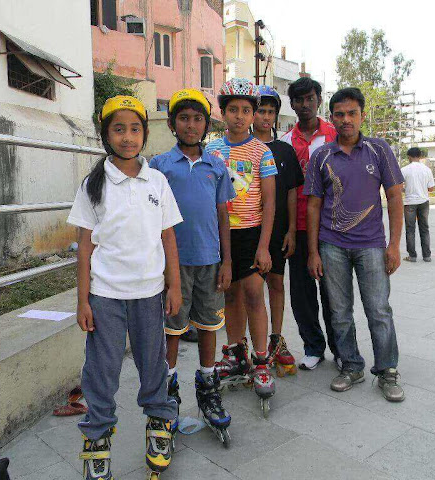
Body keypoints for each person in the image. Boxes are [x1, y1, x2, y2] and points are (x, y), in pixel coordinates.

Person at [68, 96, 182, 480]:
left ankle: (159, 423)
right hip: (105, 296)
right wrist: (83, 299)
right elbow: (85, 246)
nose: (128, 137)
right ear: (106, 135)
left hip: (150, 294)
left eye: (135, 129)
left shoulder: (158, 181)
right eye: (119, 129)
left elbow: (168, 238)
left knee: (154, 364)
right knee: (101, 370)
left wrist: (175, 286)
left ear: (145, 134)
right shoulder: (93, 185)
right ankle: (97, 437)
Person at [305, 87, 405, 402]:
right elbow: (313, 206)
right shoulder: (321, 155)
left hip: (372, 245)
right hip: (331, 244)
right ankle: (351, 365)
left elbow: (394, 196)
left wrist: (394, 245)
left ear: (362, 115)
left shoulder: (379, 150)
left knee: (378, 309)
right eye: (339, 114)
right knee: (339, 311)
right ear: (331, 118)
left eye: (352, 113)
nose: (346, 120)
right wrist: (313, 252)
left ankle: (387, 370)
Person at [150, 89, 235, 445]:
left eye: (197, 118)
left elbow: (222, 215)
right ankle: (169, 393)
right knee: (172, 329)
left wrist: (228, 260)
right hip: (173, 266)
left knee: (210, 325)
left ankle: (207, 385)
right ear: (172, 124)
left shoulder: (216, 166)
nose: (190, 125)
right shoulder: (158, 166)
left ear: (206, 124)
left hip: (210, 262)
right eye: (183, 118)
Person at [206, 78, 278, 414]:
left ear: (253, 115)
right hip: (223, 234)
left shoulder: (263, 152)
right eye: (233, 109)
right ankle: (235, 352)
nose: (239, 116)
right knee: (230, 295)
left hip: (252, 234)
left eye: (245, 110)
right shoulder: (212, 151)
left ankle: (261, 359)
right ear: (223, 113)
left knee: (253, 294)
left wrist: (264, 247)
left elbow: (270, 202)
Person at [281, 77, 338, 371]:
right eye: (299, 100)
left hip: (329, 227)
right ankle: (313, 347)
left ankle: (341, 348)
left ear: (319, 100)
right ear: (292, 104)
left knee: (332, 292)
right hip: (299, 228)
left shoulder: (334, 135)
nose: (305, 105)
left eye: (310, 99)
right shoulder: (285, 141)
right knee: (302, 294)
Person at [252, 85, 304, 376]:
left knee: (276, 284)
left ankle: (276, 339)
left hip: (278, 232)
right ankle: (251, 346)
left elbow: (292, 193)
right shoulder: (242, 149)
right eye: (261, 111)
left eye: (271, 112)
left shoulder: (285, 150)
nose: (266, 117)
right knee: (250, 290)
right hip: (249, 231)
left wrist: (292, 231)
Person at [401, 147, 435, 261]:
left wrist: (407, 190)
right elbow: (431, 189)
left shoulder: (404, 170)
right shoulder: (427, 170)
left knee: (410, 229)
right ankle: (427, 256)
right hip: (424, 202)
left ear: (409, 157)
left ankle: (412, 256)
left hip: (410, 202)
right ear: (420, 157)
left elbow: (399, 187)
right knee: (424, 228)